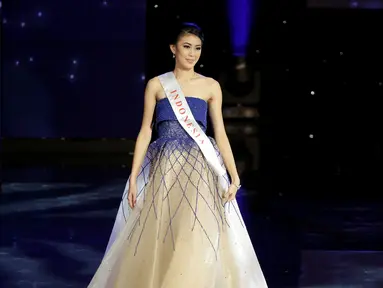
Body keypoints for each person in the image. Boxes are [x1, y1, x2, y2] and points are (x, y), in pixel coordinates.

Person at [88, 22, 268, 288]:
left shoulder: (211, 86)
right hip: (165, 168)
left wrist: (234, 175)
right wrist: (134, 176)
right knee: (161, 233)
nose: (192, 53)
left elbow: (220, 133)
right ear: (173, 49)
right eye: (186, 47)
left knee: (195, 232)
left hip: (200, 167)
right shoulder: (157, 85)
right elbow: (145, 132)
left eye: (197, 48)